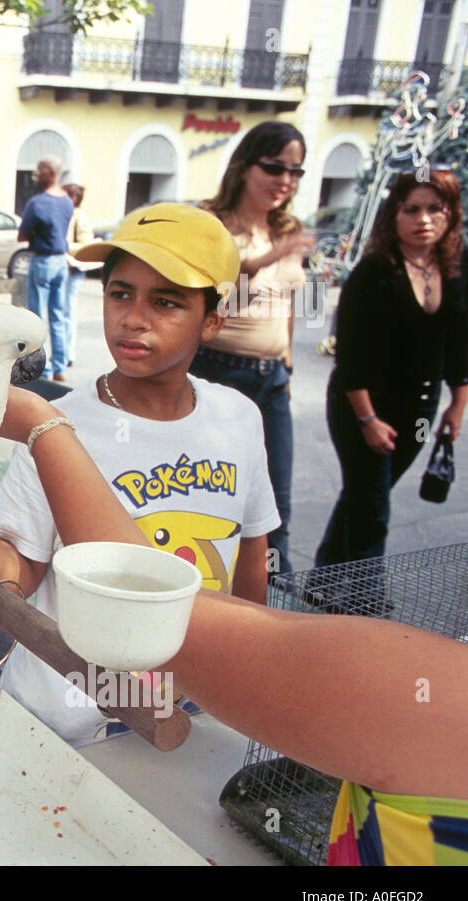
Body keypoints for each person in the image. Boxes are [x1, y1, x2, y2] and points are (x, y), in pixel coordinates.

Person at [0, 377, 468, 863]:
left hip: (171, 735)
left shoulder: (428, 704)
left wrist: (44, 428)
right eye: (119, 293)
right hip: (61, 733)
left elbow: (153, 613)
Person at [0, 203, 280, 745]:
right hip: (57, 727)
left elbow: (251, 555)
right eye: (120, 293)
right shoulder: (62, 425)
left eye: (166, 302)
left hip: (188, 719)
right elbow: (16, 572)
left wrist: (243, 676)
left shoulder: (237, 417)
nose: (133, 318)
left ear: (213, 318)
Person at [315, 168, 468, 569]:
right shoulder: (375, 271)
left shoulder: (460, 265)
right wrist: (368, 419)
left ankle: (324, 583)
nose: (424, 219)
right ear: (394, 215)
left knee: (365, 495)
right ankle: (367, 606)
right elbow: (350, 355)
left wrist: (457, 405)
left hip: (419, 407)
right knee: (373, 511)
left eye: (435, 209)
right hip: (361, 404)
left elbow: (458, 341)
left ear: (451, 213)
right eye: (412, 209)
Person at [193, 121, 314, 576]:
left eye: (296, 171)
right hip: (219, 371)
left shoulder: (288, 227)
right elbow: (215, 287)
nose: (286, 179)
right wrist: (268, 256)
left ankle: (273, 604)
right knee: (213, 496)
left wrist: (286, 358)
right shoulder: (213, 219)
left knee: (273, 502)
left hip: (272, 379)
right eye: (275, 166)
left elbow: (291, 299)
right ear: (245, 165)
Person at [18, 156, 74, 381]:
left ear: (50, 172)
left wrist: (33, 233)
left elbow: (22, 234)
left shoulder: (37, 202)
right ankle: (60, 367)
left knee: (37, 318)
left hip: (42, 262)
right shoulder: (67, 201)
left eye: (39, 170)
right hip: (61, 261)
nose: (35, 174)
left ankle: (44, 371)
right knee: (58, 315)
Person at [61, 182, 97, 366]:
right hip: (64, 267)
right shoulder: (67, 213)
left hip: (72, 269)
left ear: (73, 198)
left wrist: (64, 246)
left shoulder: (80, 216)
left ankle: (69, 354)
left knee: (68, 312)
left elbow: (86, 244)